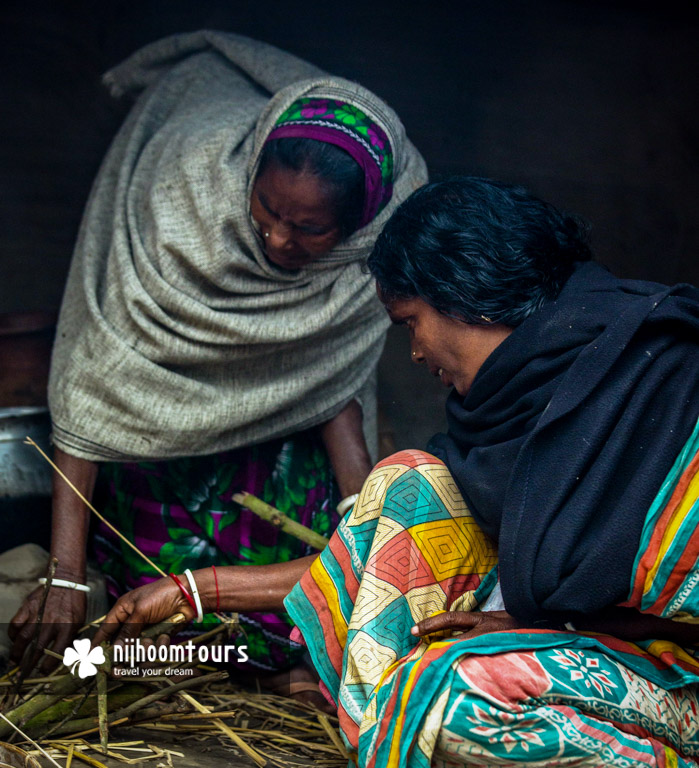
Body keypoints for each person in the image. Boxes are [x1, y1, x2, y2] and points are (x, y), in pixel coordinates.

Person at [85, 177, 699, 766]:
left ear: (467, 291)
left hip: (680, 677)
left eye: (411, 322)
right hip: (582, 648)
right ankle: (395, 732)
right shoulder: (501, 422)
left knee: (454, 696)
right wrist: (195, 592)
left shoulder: (670, 377)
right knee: (407, 482)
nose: (415, 353)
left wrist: (541, 628)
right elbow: (377, 552)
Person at [8, 29, 427, 692]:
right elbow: (94, 383)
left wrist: (360, 534)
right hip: (159, 474)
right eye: (267, 209)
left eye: (310, 229)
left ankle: (264, 666)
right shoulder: (180, 205)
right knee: (134, 635)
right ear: (248, 175)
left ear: (357, 226)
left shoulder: (370, 255)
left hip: (272, 496)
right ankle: (236, 665)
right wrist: (63, 573)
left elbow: (335, 384)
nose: (278, 239)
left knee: (286, 622)